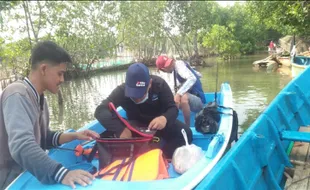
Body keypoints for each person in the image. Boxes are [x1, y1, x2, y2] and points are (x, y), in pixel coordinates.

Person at [0, 41, 100, 189]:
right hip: (10, 179)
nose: (62, 80)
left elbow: (44, 138)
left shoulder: (40, 98)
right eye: (60, 73)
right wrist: (63, 174)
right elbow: (21, 145)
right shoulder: (17, 94)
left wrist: (75, 136)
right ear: (44, 69)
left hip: (28, 172)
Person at [94, 63, 193, 158]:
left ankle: (164, 156)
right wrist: (120, 129)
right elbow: (100, 110)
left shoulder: (160, 85)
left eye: (141, 94)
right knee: (111, 134)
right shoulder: (121, 91)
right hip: (136, 126)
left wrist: (165, 118)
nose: (137, 99)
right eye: (133, 95)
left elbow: (172, 108)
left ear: (149, 84)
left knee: (186, 133)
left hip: (159, 125)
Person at [155, 55, 206, 127]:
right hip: (192, 100)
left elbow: (192, 78)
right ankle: (171, 122)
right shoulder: (177, 69)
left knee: (183, 97)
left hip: (200, 102)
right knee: (172, 100)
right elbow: (199, 75)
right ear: (163, 69)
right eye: (168, 64)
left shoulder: (179, 65)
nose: (171, 64)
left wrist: (179, 93)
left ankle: (187, 126)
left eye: (170, 62)